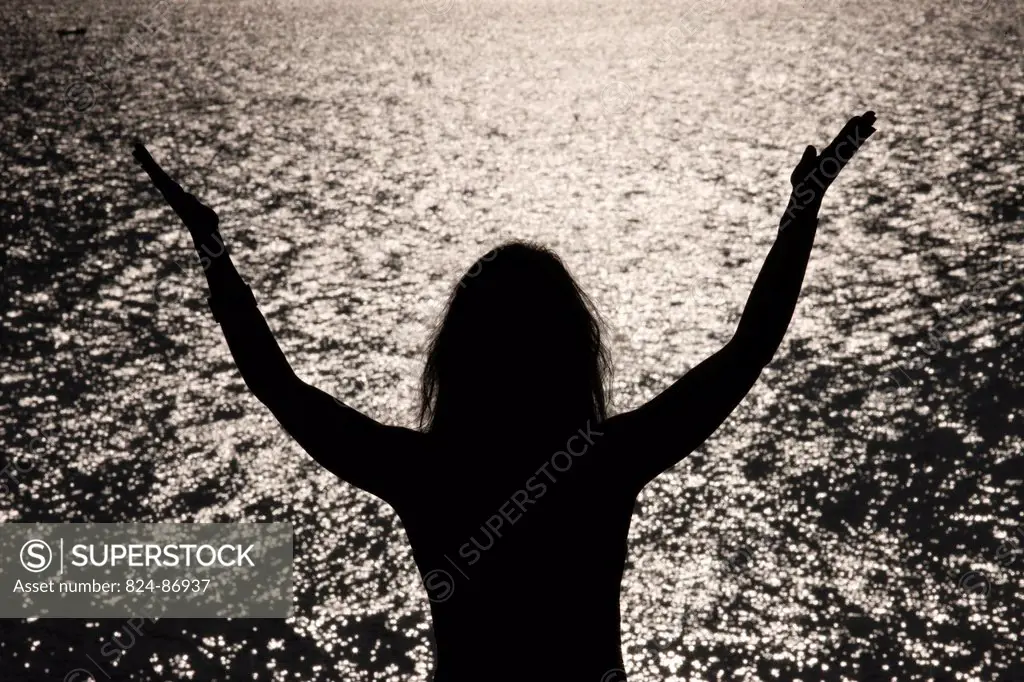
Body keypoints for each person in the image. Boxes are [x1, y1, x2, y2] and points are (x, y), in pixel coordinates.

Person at [132, 110, 876, 681]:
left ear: (460, 357)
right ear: (570, 352)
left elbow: (276, 385)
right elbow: (748, 349)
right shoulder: (603, 464)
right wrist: (800, 214)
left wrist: (213, 251)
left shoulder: (426, 474)